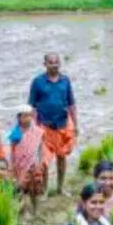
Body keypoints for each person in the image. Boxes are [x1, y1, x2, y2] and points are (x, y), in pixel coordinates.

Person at [28, 52, 78, 195]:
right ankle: (44, 190)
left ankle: (60, 188)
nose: (54, 65)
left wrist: (76, 125)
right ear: (45, 64)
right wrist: (33, 127)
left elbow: (71, 104)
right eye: (51, 62)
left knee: (62, 157)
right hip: (44, 127)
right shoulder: (38, 82)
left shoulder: (65, 81)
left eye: (56, 62)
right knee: (44, 161)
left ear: (60, 63)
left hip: (62, 125)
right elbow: (32, 106)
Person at [7, 105, 49, 212]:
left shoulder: (37, 132)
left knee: (34, 189)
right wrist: (11, 166)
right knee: (20, 189)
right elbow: (12, 151)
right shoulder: (15, 133)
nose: (28, 118)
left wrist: (41, 162)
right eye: (25, 116)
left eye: (30, 116)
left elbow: (41, 149)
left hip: (33, 165)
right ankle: (22, 211)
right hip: (19, 167)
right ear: (19, 118)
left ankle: (35, 210)